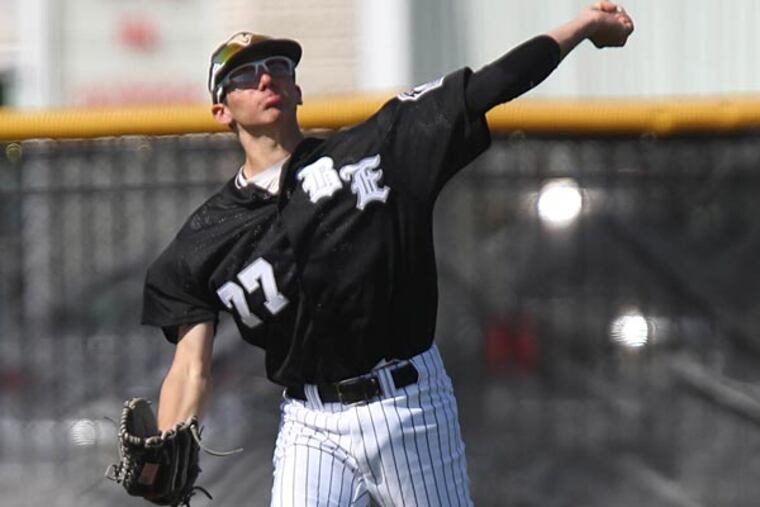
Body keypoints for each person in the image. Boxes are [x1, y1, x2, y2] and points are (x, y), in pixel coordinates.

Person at [141, 3, 633, 505]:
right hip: (310, 423)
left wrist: (582, 26)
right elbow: (189, 367)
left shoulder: (373, 153)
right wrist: (166, 446)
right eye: (246, 75)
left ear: (298, 90)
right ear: (221, 110)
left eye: (280, 68)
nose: (267, 79)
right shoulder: (205, 239)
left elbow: (490, 85)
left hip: (408, 405)